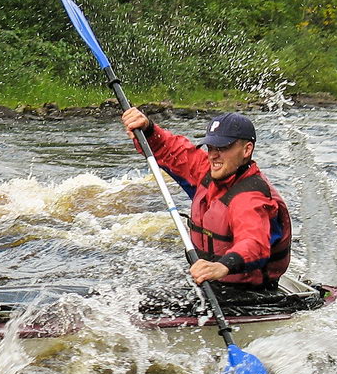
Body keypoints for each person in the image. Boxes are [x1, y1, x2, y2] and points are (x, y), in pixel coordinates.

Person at [121, 108, 291, 289]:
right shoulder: (209, 171)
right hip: (211, 281)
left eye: (223, 147)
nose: (213, 155)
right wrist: (147, 129)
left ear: (246, 150)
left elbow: (254, 243)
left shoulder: (251, 197)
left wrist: (221, 266)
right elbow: (173, 150)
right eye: (211, 147)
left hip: (249, 290)